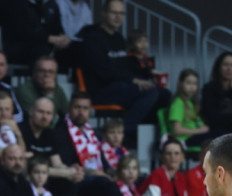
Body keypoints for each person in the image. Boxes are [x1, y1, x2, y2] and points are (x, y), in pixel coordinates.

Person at [75, 0, 160, 138]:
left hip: (121, 86)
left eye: (121, 13)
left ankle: (154, 140)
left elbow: (126, 69)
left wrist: (146, 76)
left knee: (163, 94)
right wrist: (133, 80)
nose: (118, 17)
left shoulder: (119, 38)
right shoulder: (93, 38)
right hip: (100, 90)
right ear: (104, 13)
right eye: (114, 12)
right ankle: (125, 135)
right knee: (149, 93)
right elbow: (103, 72)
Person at [15, 56, 68, 124]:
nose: (46, 75)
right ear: (34, 73)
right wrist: (49, 94)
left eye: (51, 72)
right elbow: (41, 120)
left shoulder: (58, 89)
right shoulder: (24, 89)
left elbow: (67, 115)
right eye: (42, 71)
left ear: (55, 75)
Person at [169, 69, 212, 149]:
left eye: (195, 83)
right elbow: (176, 130)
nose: (192, 87)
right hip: (184, 140)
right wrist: (200, 130)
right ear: (180, 83)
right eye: (188, 83)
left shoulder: (191, 103)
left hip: (194, 136)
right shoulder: (178, 103)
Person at [203, 53, 232, 138]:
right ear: (218, 67)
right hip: (216, 133)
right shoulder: (208, 89)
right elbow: (212, 117)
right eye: (225, 65)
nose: (229, 68)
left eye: (231, 65)